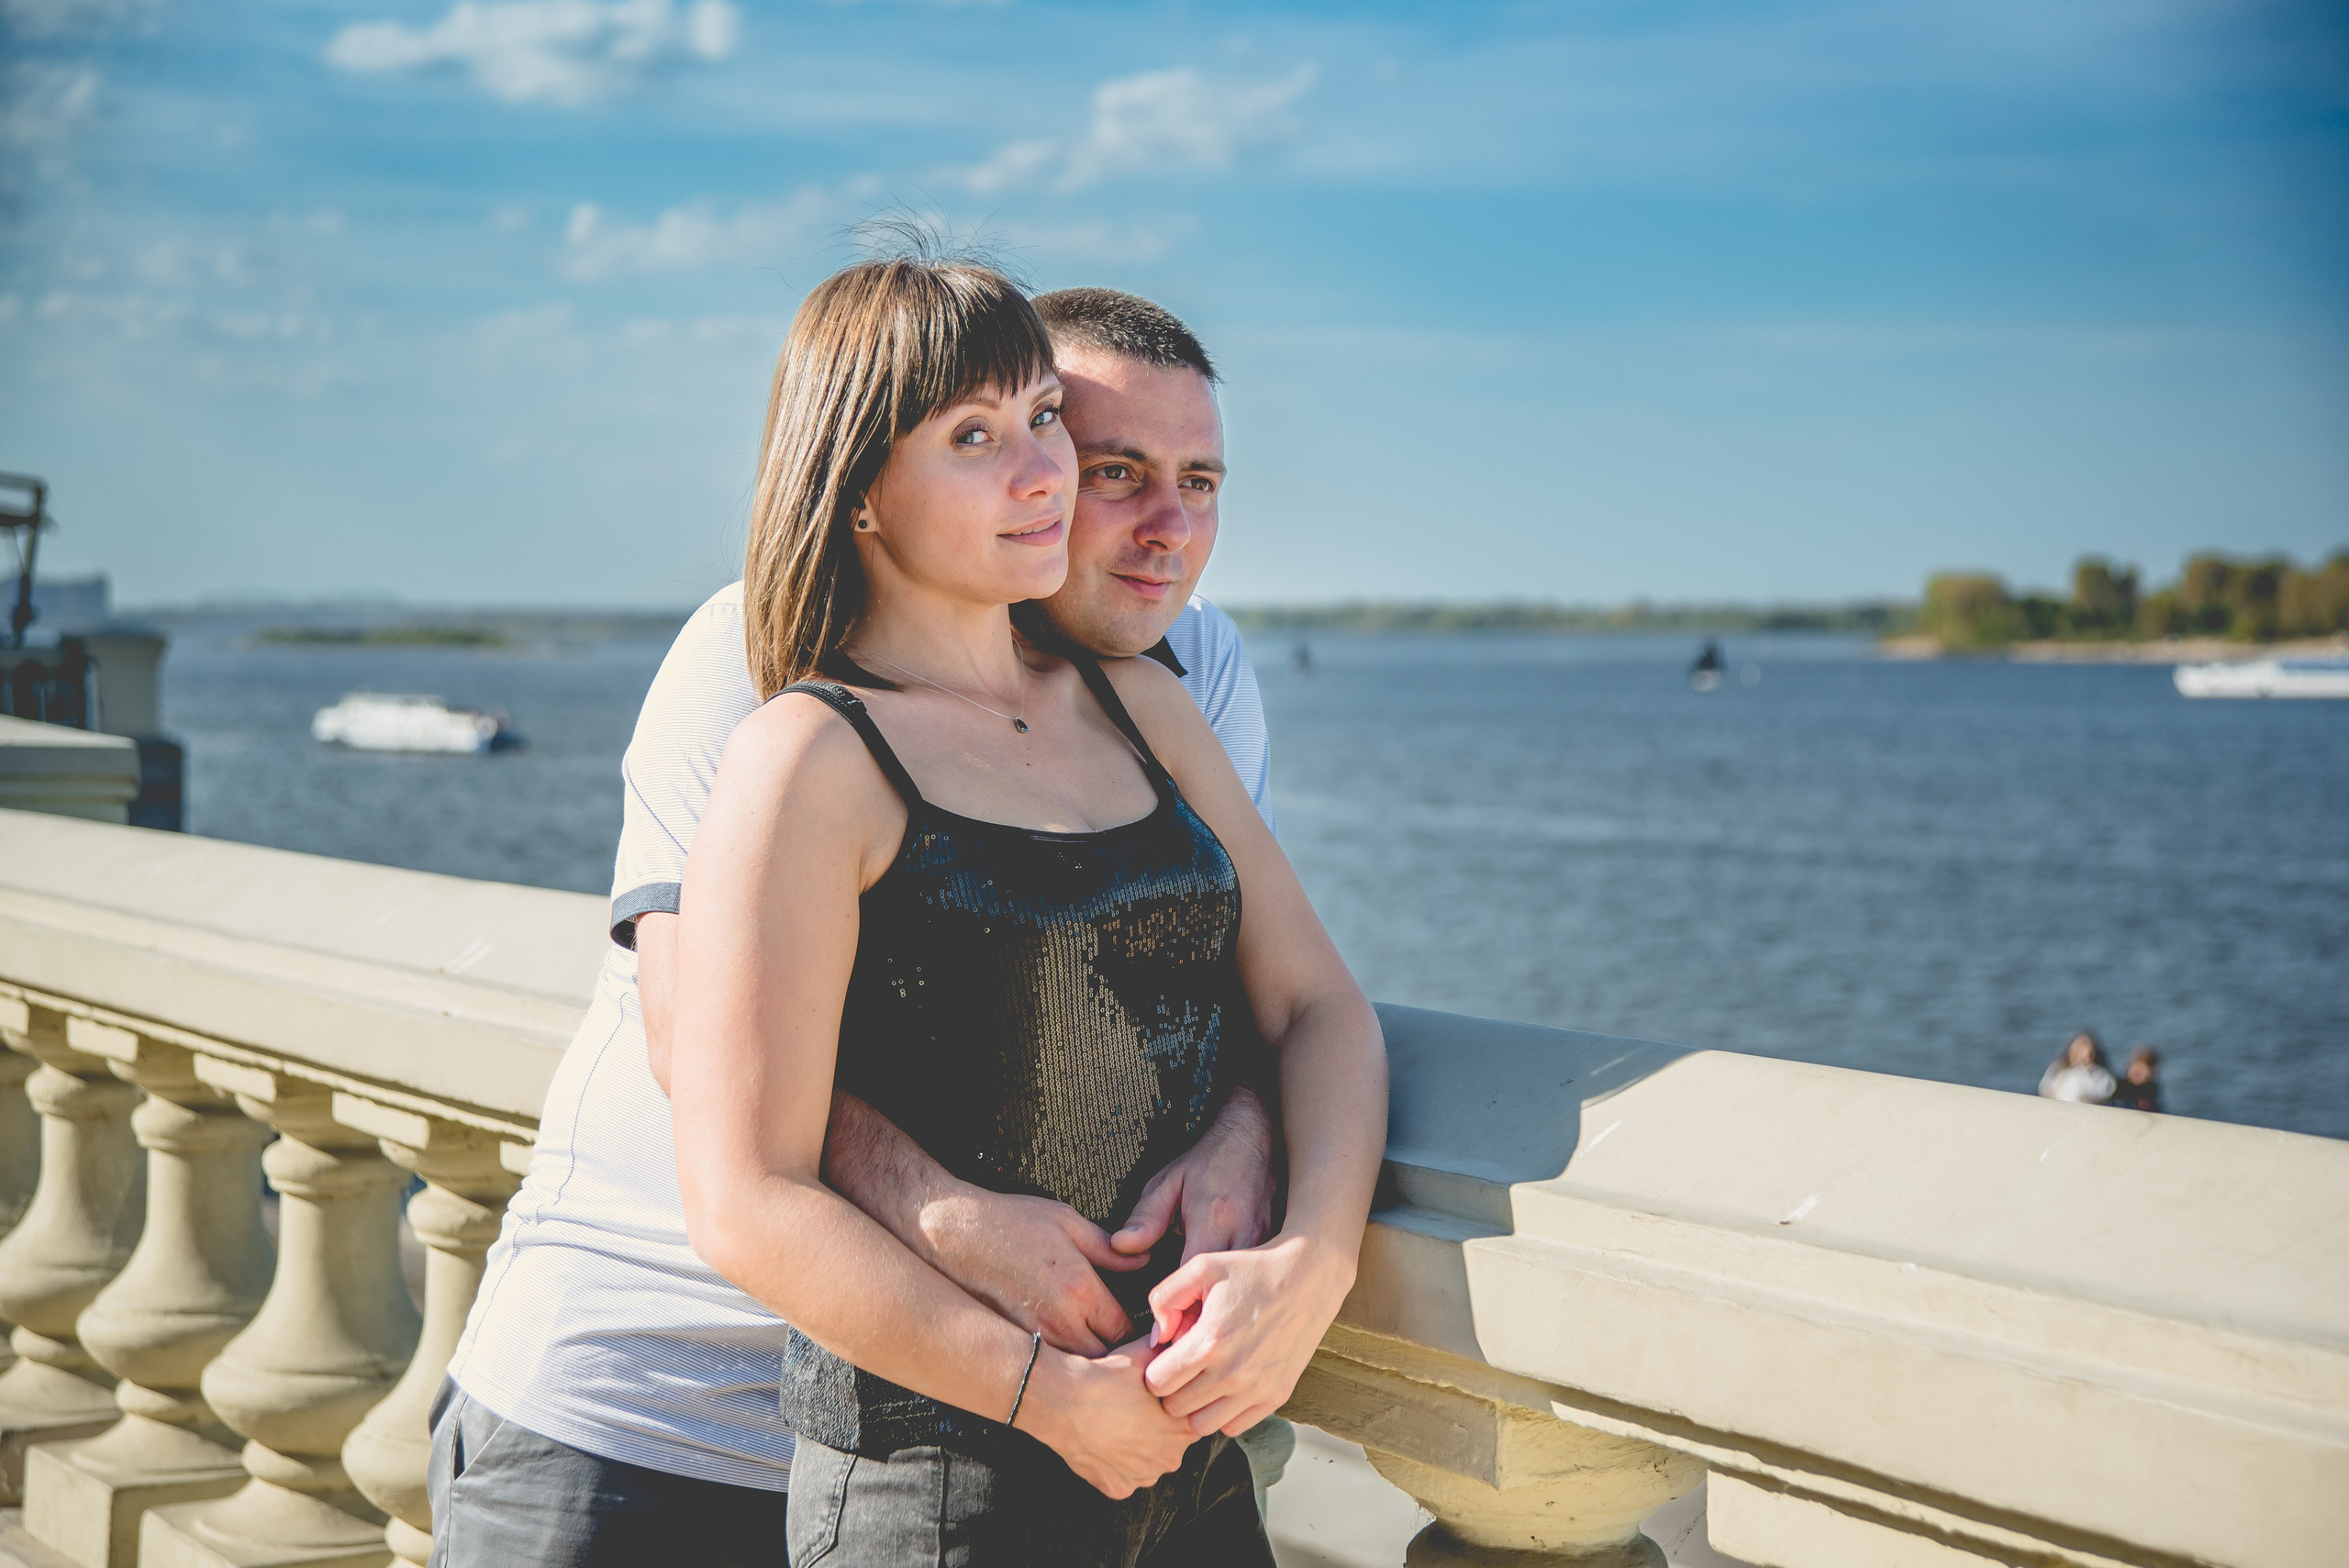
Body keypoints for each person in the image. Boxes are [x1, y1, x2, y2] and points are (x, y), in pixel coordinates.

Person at [433, 272, 1338, 1566]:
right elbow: (700, 1039)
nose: (1159, 528)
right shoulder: (760, 664)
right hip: (646, 1408)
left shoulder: (1181, 677)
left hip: (1018, 1433)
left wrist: (1254, 1140)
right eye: (1112, 465)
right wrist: (949, 1218)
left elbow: (1218, 978)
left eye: (1200, 482)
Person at [673, 256, 1382, 1561]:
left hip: (1191, 1458)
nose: (1043, 469)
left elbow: (1321, 1004)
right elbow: (743, 1191)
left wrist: (1311, 1265)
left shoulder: (1141, 701)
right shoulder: (811, 756)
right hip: (945, 1477)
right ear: (861, 495)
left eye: (1044, 421)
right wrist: (1041, 1395)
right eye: (975, 437)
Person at [2038, 1030, 2116, 1105]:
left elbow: (2104, 1091)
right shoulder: (2058, 1069)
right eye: (2078, 1050)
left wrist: (2086, 1070)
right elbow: (2044, 1089)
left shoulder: (2099, 1074)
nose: (2081, 1055)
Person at [2113, 1046, 2162, 1114]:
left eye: (2144, 1069)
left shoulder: (2151, 1090)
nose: (2139, 1072)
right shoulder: (2118, 1086)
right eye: (2138, 1067)